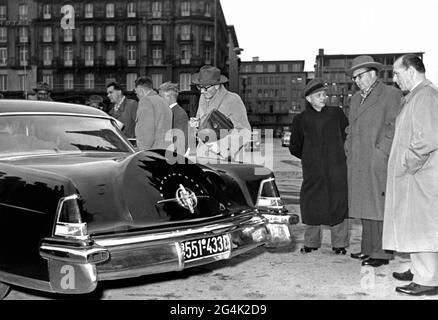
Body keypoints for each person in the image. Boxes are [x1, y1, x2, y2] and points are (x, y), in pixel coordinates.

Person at [382, 54, 438, 296]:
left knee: (423, 226)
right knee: (414, 225)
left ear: (411, 71)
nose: (395, 79)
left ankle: (427, 279)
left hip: (420, 175)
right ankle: (419, 270)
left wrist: (407, 164)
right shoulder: (416, 96)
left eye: (397, 73)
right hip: (416, 175)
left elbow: (426, 138)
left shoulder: (425, 95)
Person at [345, 55, 402, 267]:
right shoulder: (355, 98)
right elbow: (351, 127)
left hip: (377, 159)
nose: (357, 81)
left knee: (378, 207)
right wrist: (348, 147)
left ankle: (381, 254)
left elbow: (394, 126)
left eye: (360, 76)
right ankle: (367, 249)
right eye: (354, 78)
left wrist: (381, 152)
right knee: (365, 206)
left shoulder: (391, 94)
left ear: (372, 74)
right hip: (359, 159)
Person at [289, 79, 349, 255]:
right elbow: (295, 147)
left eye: (325, 95)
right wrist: (310, 157)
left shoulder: (336, 114)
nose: (324, 98)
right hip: (313, 171)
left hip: (337, 168)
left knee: (339, 204)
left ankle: (339, 244)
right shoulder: (300, 120)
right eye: (319, 95)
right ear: (308, 98)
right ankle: (311, 242)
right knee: (312, 204)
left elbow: (347, 136)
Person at [191, 65, 251, 160]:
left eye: (205, 87)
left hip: (224, 160)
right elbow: (201, 125)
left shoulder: (233, 100)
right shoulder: (203, 99)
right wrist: (195, 127)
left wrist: (219, 146)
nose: (202, 91)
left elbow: (245, 132)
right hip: (203, 157)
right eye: (199, 87)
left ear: (217, 86)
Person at [134, 76, 172, 150]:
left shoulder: (145, 101)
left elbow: (145, 133)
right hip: (166, 151)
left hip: (152, 153)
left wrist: (142, 152)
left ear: (140, 89)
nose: (137, 95)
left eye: (136, 92)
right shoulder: (163, 102)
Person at [158, 82, 189, 155]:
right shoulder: (172, 112)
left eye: (161, 97)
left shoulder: (179, 114)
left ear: (170, 97)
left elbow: (180, 140)